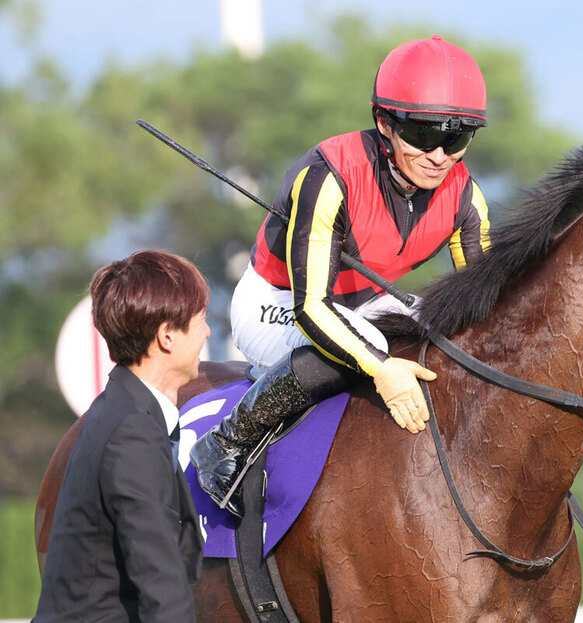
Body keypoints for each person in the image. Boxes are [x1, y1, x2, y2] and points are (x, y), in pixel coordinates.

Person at [191, 35, 492, 517]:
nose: (439, 156)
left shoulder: (465, 198)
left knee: (437, 333)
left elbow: (487, 308)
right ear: (384, 123)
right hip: (279, 302)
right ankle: (227, 441)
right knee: (363, 347)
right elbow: (312, 309)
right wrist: (381, 366)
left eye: (455, 139)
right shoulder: (328, 176)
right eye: (422, 135)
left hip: (364, 303)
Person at [34, 250, 209, 623]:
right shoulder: (131, 433)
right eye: (201, 320)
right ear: (166, 336)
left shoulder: (120, 412)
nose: (207, 332)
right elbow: (162, 590)